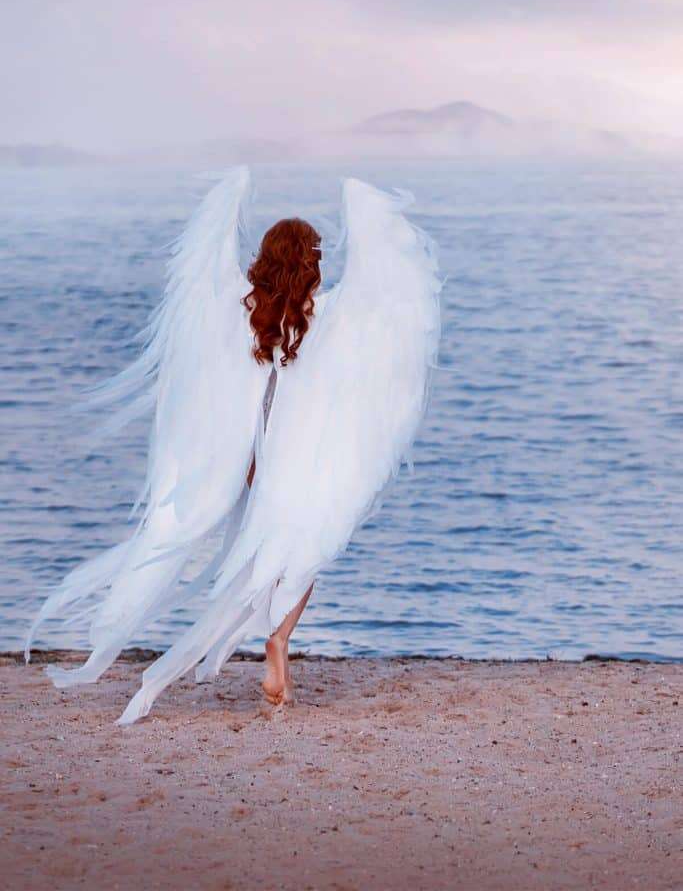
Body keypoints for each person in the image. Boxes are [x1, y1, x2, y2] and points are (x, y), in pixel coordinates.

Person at [26, 166, 441, 723]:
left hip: (242, 451)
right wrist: (368, 212)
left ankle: (266, 646)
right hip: (295, 454)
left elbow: (199, 329)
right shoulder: (334, 316)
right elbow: (392, 313)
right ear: (312, 263)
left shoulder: (236, 310)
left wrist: (231, 196)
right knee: (302, 553)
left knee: (254, 547)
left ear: (266, 259)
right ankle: (278, 640)